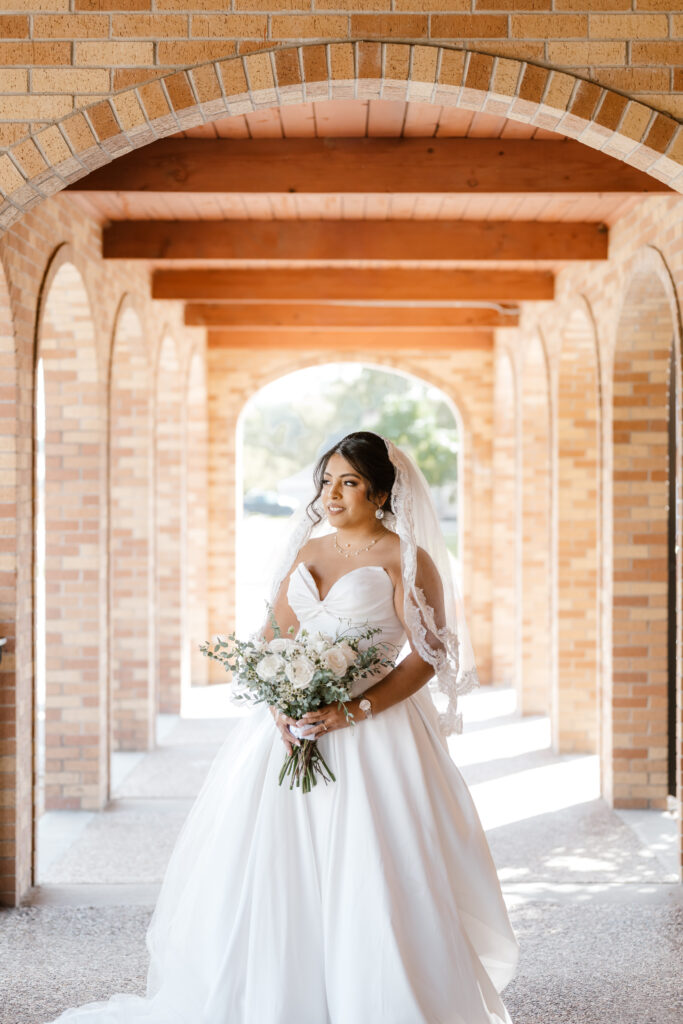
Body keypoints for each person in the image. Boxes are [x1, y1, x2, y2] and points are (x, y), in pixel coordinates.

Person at [45, 430, 519, 1024]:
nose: (333, 494)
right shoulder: (309, 552)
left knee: (371, 868)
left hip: (375, 734)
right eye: (327, 481)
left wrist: (352, 710)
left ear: (381, 492)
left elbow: (425, 658)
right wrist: (280, 702)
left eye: (349, 482)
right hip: (290, 731)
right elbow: (272, 639)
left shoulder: (406, 558)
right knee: (275, 865)